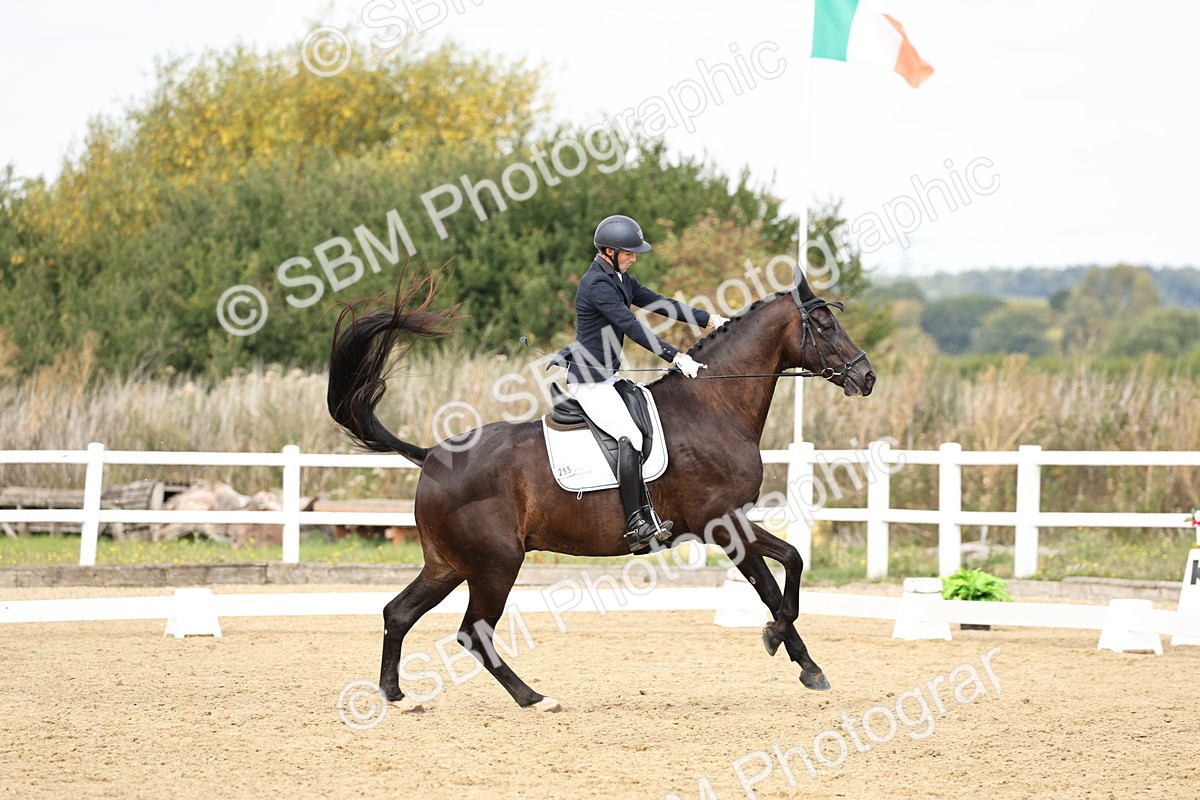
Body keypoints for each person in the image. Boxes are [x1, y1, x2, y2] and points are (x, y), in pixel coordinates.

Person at [553, 214, 728, 552]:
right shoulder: (597, 284)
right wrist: (675, 357)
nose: (633, 258)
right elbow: (632, 327)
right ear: (608, 251)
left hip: (609, 377)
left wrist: (711, 320)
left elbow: (662, 303)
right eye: (629, 253)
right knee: (629, 435)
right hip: (589, 381)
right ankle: (636, 522)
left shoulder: (620, 278)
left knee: (650, 421)